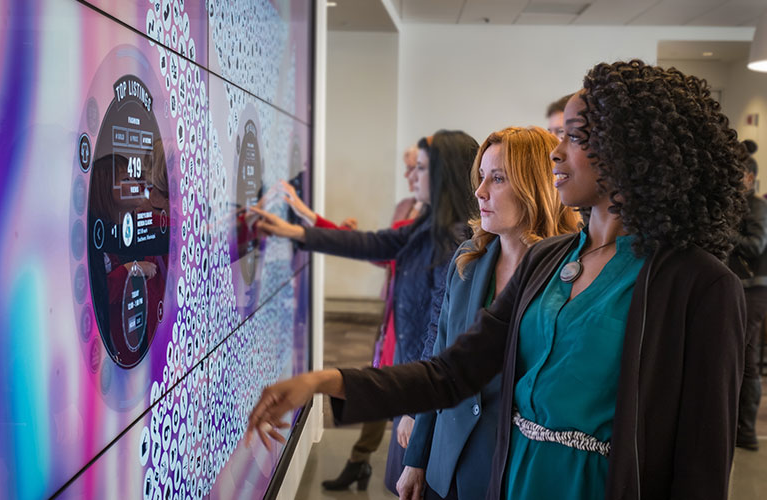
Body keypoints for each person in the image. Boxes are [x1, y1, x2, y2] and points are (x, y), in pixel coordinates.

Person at [247, 60, 749, 499]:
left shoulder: (698, 286)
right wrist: (324, 380)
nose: (556, 153)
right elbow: (451, 372)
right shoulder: (548, 261)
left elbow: (700, 467)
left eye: (574, 137)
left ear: (630, 153)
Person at [250, 130, 479, 493]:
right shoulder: (429, 226)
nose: (412, 177)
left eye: (420, 168)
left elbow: (438, 334)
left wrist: (416, 411)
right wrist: (297, 231)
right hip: (415, 388)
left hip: (422, 395)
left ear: (442, 174)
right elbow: (373, 242)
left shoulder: (453, 239)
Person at [397, 126, 580, 500]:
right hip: (448, 464)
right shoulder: (469, 260)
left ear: (535, 187)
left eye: (497, 179)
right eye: (481, 177)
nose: (480, 192)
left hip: (519, 470)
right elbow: (441, 362)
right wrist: (416, 458)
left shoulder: (572, 272)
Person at [729, 139, 767, 451]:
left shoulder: (757, 206)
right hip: (742, 288)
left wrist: (725, 232)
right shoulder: (741, 205)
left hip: (754, 290)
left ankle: (746, 432)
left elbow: (756, 245)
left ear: (749, 178)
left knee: (748, 359)